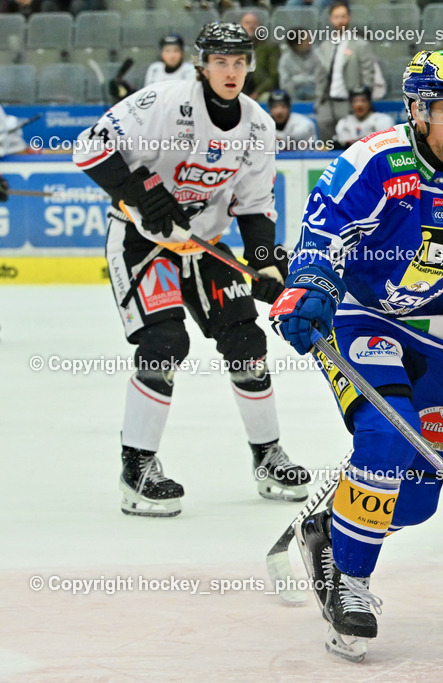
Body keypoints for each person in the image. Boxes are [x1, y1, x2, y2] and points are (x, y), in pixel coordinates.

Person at [269, 49, 443, 660]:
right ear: (418, 110)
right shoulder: (373, 161)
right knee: (391, 439)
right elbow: (321, 233)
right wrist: (310, 289)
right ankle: (350, 582)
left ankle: (330, 532)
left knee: (417, 499)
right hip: (365, 318)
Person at [72, 22, 310, 517]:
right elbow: (89, 147)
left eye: (241, 62)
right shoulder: (162, 102)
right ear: (202, 65)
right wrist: (142, 194)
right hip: (143, 241)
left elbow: (255, 206)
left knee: (247, 339)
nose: (232, 71)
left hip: (208, 243)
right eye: (221, 62)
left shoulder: (259, 127)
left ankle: (267, 456)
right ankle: (137, 467)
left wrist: (264, 264)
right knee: (164, 344)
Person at [315, 1, 378, 143]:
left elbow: (368, 74)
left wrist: (363, 99)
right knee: (326, 143)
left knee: (349, 143)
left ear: (349, 18)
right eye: (336, 17)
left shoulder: (360, 45)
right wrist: (319, 101)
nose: (340, 21)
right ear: (331, 19)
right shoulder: (324, 46)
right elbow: (319, 76)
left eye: (343, 16)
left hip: (349, 102)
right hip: (327, 102)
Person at [239, 11, 279, 100]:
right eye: (247, 23)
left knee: (266, 98)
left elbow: (273, 77)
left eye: (254, 23)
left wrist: (257, 93)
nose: (251, 26)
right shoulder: (234, 48)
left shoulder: (270, 47)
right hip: (239, 91)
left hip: (262, 91)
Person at [278, 34, 326, 102]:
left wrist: (297, 79)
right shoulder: (285, 59)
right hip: (293, 98)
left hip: (316, 96)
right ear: (296, 44)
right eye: (306, 40)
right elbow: (284, 83)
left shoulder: (318, 55)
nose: (310, 42)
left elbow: (320, 79)